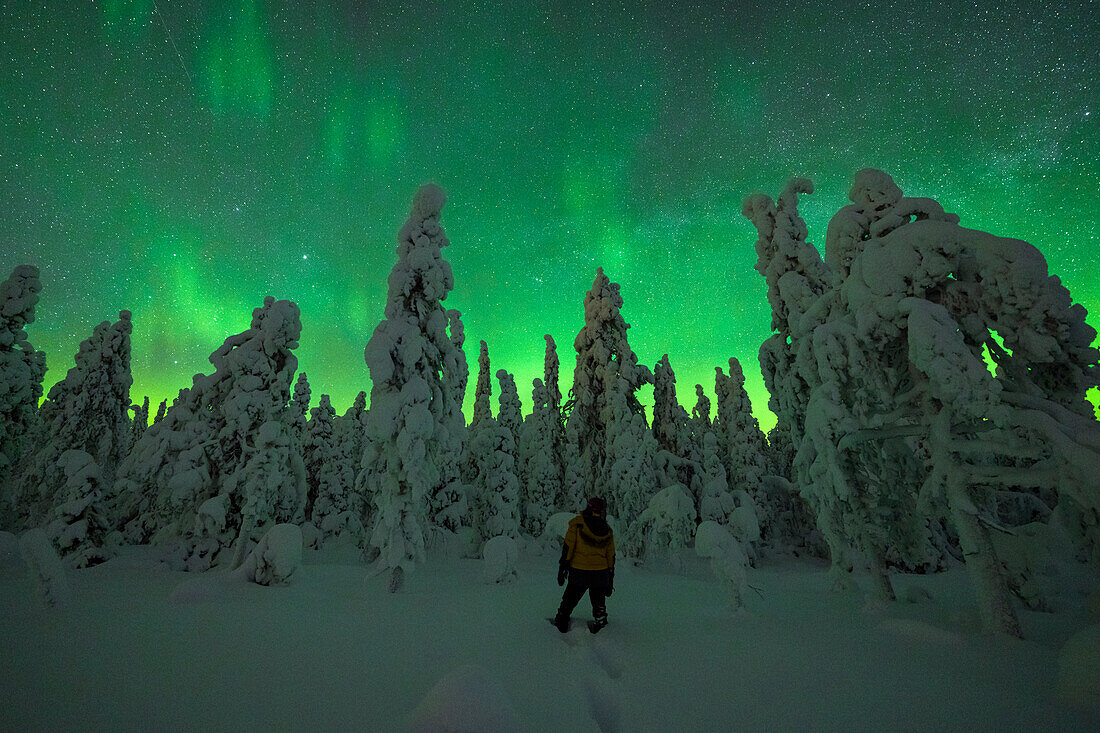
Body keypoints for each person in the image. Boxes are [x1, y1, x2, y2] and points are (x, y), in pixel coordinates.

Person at [553, 496, 615, 632]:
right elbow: (610, 555)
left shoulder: (577, 524)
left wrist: (562, 567)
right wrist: (610, 577)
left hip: (579, 571)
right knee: (599, 604)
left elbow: (568, 548)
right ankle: (601, 626)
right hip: (600, 573)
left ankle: (561, 621)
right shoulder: (607, 530)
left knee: (569, 600)